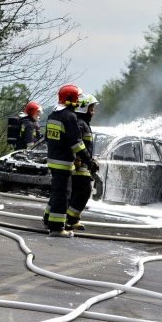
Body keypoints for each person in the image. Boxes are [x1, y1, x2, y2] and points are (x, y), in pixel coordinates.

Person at [44, 84, 96, 238]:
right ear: (71, 99)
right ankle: (57, 228)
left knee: (57, 192)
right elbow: (76, 143)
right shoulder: (69, 117)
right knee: (62, 195)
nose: (79, 100)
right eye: (77, 97)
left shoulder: (53, 114)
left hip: (54, 160)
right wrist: (89, 160)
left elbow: (48, 138)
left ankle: (49, 220)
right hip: (64, 162)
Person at [65, 93, 99, 231]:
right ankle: (70, 219)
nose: (93, 112)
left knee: (77, 192)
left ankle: (72, 219)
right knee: (84, 190)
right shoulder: (79, 123)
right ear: (83, 108)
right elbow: (76, 143)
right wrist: (80, 159)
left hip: (83, 164)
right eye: (91, 109)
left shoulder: (83, 123)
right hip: (78, 165)